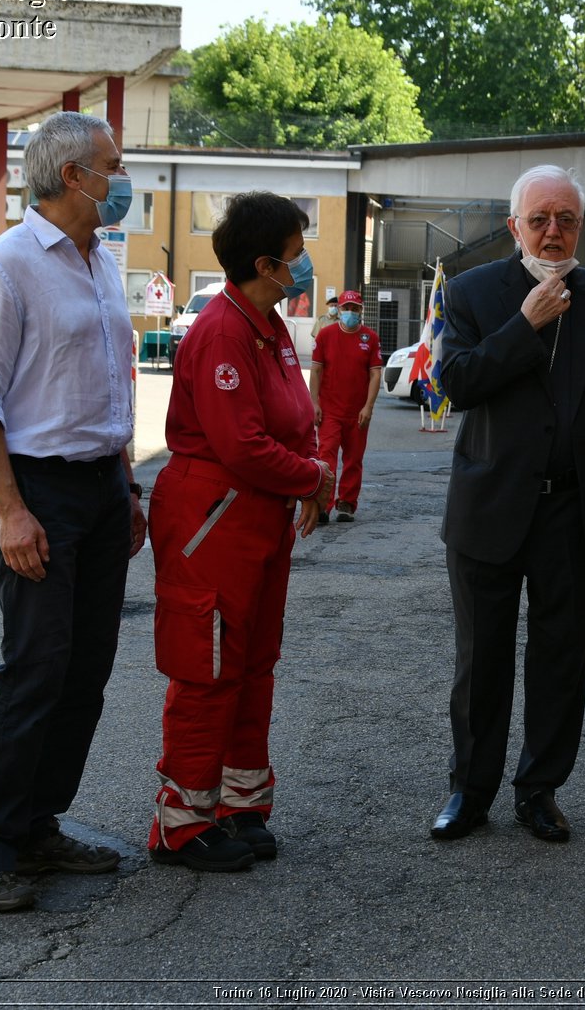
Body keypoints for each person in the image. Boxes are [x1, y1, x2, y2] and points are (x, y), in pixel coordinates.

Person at [0, 111, 147, 912]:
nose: (124, 179)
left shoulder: (100, 262)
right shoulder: (5, 265)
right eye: (115, 165)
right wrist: (12, 512)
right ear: (74, 176)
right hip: (32, 490)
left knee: (85, 669)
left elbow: (109, 382)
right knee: (34, 668)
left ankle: (36, 826)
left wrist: (126, 484)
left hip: (99, 486)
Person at [430, 164, 585, 844]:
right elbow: (456, 383)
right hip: (489, 505)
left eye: (565, 219)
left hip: (574, 507)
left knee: (560, 657)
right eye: (539, 220)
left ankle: (539, 788)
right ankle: (469, 791)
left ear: (580, 225)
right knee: (481, 661)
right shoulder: (473, 292)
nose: (553, 232)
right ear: (515, 227)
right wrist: (524, 326)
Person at [145, 192, 336, 871]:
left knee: (253, 664)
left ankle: (239, 804)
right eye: (296, 252)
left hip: (258, 519)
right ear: (266, 262)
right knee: (209, 666)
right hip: (215, 519)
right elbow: (243, 445)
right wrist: (311, 478)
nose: (305, 263)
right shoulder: (224, 329)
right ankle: (181, 823)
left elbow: (294, 418)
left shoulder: (267, 322)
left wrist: (308, 471)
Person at [309, 290, 384, 523]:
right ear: (338, 310)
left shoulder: (370, 338)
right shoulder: (325, 335)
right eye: (346, 308)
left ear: (361, 311)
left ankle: (346, 504)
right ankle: (323, 505)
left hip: (357, 413)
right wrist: (314, 403)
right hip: (330, 411)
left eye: (354, 308)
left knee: (353, 459)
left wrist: (368, 407)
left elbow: (374, 374)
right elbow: (316, 370)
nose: (350, 312)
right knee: (326, 457)